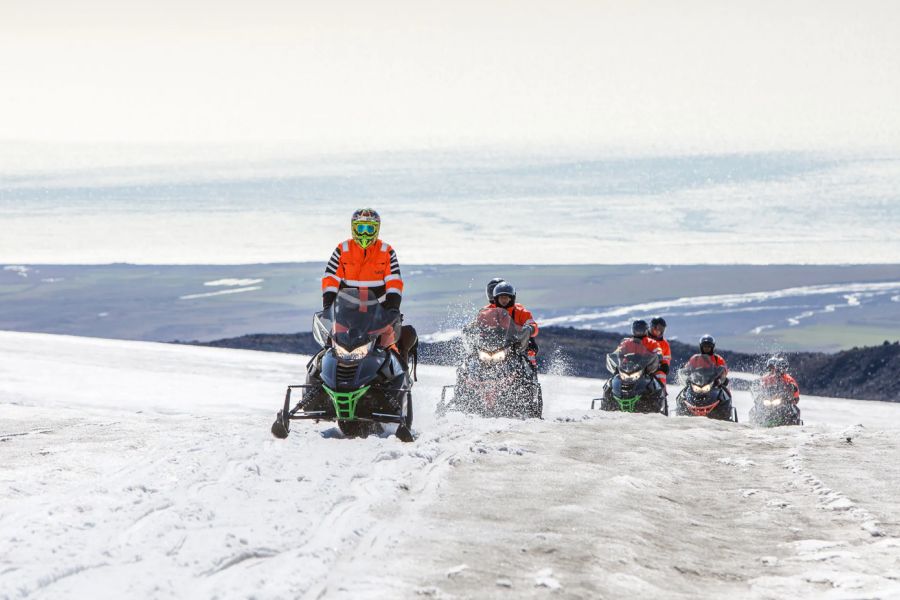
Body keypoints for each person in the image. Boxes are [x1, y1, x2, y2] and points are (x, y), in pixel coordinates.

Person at [320, 208, 416, 364]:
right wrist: (327, 305)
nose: (365, 233)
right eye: (361, 228)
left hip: (379, 313)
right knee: (330, 346)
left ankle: (401, 380)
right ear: (353, 228)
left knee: (390, 346)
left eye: (369, 228)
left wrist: (393, 308)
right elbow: (330, 278)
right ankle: (318, 379)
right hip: (347, 311)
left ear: (376, 229)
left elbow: (394, 281)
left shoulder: (386, 251)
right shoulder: (342, 249)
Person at [486, 281, 539, 371]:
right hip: (495, 344)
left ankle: (531, 378)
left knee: (528, 354)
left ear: (511, 298)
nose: (504, 300)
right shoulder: (489, 311)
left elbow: (532, 324)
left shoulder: (521, 312)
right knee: (475, 357)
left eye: (506, 297)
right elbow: (480, 322)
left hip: (516, 344)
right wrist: (471, 327)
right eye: (501, 298)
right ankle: (466, 379)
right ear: (496, 299)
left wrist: (531, 328)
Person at [615, 320, 666, 387]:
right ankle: (608, 392)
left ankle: (661, 394)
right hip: (627, 368)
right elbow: (619, 351)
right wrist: (617, 357)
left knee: (658, 378)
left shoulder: (652, 342)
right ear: (633, 330)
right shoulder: (627, 342)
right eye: (637, 329)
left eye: (641, 329)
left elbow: (658, 351)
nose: (639, 331)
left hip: (646, 369)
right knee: (614, 378)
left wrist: (660, 359)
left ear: (645, 330)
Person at [649, 316, 672, 386]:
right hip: (640, 365)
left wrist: (664, 364)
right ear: (652, 327)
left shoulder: (664, 344)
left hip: (655, 368)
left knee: (661, 375)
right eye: (657, 328)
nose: (659, 331)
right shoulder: (643, 338)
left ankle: (661, 394)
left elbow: (666, 357)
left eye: (662, 329)